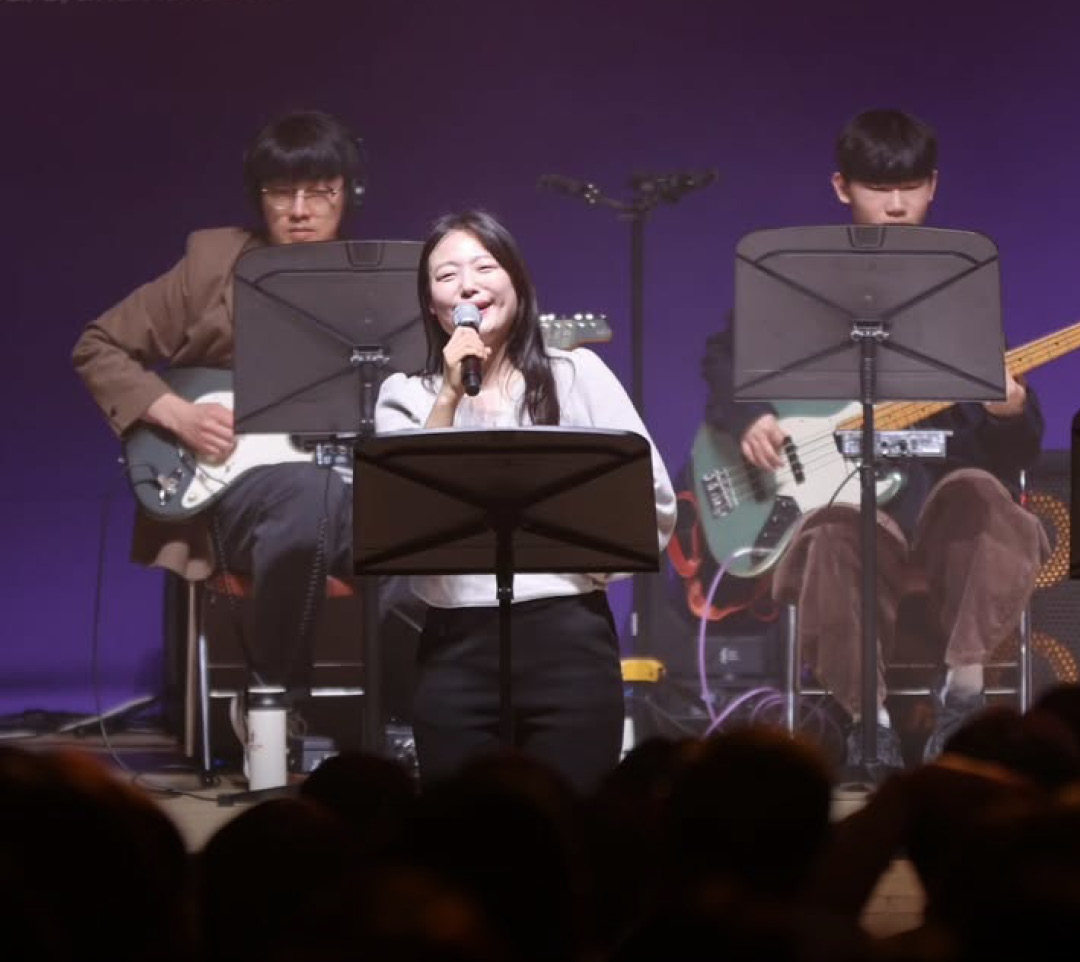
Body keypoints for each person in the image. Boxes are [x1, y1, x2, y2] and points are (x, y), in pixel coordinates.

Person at [701, 108, 1048, 779]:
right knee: (834, 534)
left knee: (984, 495)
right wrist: (750, 417)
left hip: (943, 501)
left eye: (911, 187)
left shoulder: (961, 289)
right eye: (877, 188)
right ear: (842, 187)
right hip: (846, 499)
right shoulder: (802, 283)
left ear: (933, 186)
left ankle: (963, 697)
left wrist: (1009, 413)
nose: (895, 205)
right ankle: (872, 723)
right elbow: (725, 356)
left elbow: (1016, 451)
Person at [72, 109, 365, 770]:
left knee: (422, 529)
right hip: (233, 485)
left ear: (349, 193)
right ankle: (274, 700)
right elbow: (99, 345)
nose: (298, 210)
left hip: (340, 484)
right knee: (308, 496)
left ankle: (410, 727)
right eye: (280, 192)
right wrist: (175, 413)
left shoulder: (376, 283)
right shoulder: (213, 263)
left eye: (319, 191)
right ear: (258, 197)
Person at [375, 209, 676, 794]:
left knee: (573, 820)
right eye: (447, 275)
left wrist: (587, 569)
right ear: (432, 305)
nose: (468, 286)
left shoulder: (577, 375)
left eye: (485, 267)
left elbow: (653, 498)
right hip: (456, 644)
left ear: (517, 282)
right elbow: (402, 520)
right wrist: (447, 396)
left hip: (568, 636)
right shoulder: (405, 395)